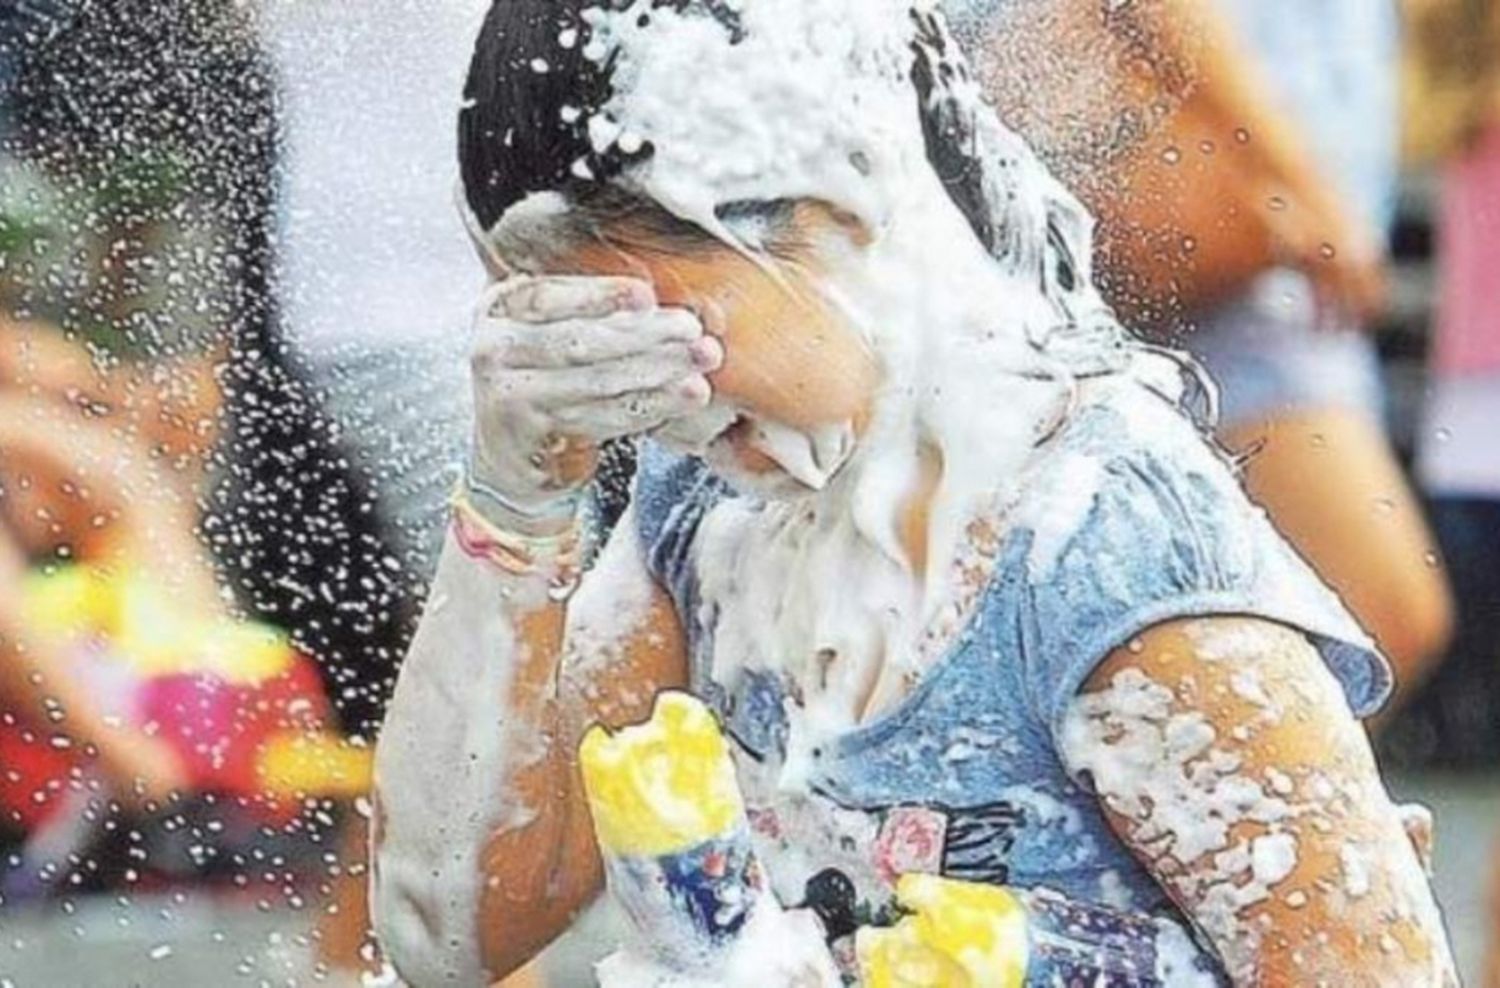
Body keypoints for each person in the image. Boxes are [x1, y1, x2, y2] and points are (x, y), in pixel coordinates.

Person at [371, 1, 1456, 985]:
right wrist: (517, 499)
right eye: (567, 339)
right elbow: (448, 939)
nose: (650, 403)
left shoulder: (1100, 548)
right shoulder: (708, 508)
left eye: (652, 323)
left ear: (844, 201)